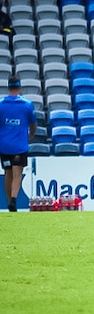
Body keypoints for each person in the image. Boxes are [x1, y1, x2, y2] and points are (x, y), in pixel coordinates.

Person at [0, 76, 35, 212]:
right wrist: (31, 134)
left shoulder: (1, 104)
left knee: (7, 173)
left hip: (4, 146)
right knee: (17, 173)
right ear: (20, 87)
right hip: (19, 146)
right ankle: (13, 199)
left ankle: (9, 202)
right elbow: (33, 123)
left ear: (8, 87)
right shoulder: (26, 104)